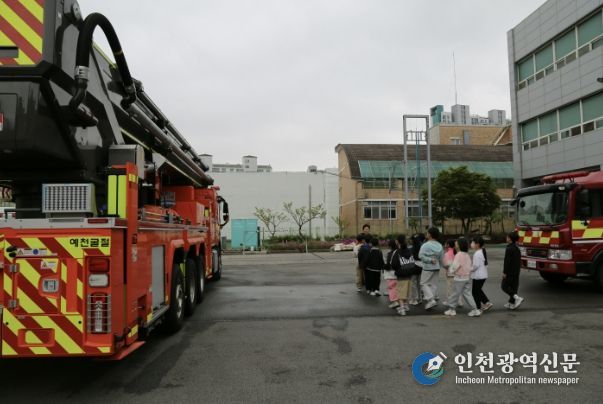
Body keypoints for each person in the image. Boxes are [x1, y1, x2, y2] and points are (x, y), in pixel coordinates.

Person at [444, 238, 482, 317]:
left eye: (457, 243)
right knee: (467, 294)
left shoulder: (458, 255)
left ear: (460, 245)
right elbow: (469, 266)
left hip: (459, 278)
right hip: (466, 277)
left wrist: (450, 270)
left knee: (455, 294)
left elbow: (455, 266)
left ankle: (452, 309)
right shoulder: (467, 255)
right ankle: (475, 309)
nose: (455, 244)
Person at [418, 227, 443, 310]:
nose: (426, 234)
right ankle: (431, 301)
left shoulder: (425, 245)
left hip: (427, 267)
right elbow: (441, 258)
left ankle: (431, 300)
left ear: (430, 235)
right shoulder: (440, 245)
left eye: (427, 233)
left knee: (423, 283)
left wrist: (429, 260)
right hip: (437, 267)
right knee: (433, 284)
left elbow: (420, 256)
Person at [391, 234, 414, 316]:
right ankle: (406, 305)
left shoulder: (396, 252)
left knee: (401, 292)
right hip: (409, 274)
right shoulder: (409, 250)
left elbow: (393, 264)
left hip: (401, 275)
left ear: (397, 241)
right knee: (407, 291)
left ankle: (402, 309)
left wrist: (396, 269)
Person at [502, 231, 524, 309]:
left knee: (504, 286)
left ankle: (517, 298)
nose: (506, 238)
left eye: (507, 237)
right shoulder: (516, 248)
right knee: (514, 287)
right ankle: (511, 303)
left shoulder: (509, 248)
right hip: (516, 271)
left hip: (510, 272)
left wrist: (504, 272)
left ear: (510, 239)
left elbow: (507, 262)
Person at [471, 236, 493, 312]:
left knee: (475, 292)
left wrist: (469, 269)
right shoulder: (481, 251)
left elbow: (475, 266)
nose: (471, 244)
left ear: (477, 244)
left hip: (478, 276)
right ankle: (486, 303)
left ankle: (478, 307)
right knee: (478, 290)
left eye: (473, 242)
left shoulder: (477, 253)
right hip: (482, 276)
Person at [443, 239, 462, 307]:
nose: (445, 245)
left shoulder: (446, 254)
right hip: (457, 273)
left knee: (450, 288)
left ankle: (449, 301)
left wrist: (446, 268)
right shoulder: (457, 253)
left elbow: (446, 265)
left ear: (448, 245)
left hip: (450, 273)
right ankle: (459, 301)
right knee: (457, 288)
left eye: (446, 243)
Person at [408, 234, 424, 305]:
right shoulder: (422, 247)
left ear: (412, 240)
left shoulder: (411, 248)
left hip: (414, 266)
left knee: (413, 283)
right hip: (421, 266)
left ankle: (414, 299)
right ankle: (420, 298)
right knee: (419, 283)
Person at [383, 239, 399, 308]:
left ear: (390, 246)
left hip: (391, 273)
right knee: (397, 288)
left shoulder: (390, 253)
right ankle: (400, 302)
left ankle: (395, 302)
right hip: (399, 272)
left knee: (391, 288)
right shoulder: (399, 252)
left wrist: (384, 266)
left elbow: (388, 264)